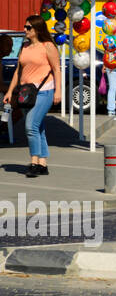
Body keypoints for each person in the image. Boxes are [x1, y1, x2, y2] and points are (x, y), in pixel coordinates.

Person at [3, 16, 61, 178]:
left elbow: (57, 69)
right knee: (38, 127)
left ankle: (34, 162)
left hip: (44, 91)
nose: (25, 30)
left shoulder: (47, 46)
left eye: (28, 27)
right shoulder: (25, 47)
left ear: (37, 29)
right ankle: (43, 164)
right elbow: (17, 71)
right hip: (26, 93)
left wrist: (58, 91)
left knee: (30, 126)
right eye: (25, 26)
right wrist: (9, 91)